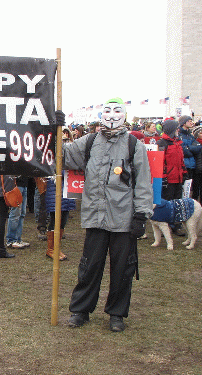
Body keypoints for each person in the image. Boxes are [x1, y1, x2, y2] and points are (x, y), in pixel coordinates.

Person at [62, 98, 153, 332]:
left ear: (125, 114)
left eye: (117, 111)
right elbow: (63, 156)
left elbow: (143, 182)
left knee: (123, 269)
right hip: (95, 216)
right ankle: (80, 310)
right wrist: (55, 130)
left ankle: (116, 313)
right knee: (89, 266)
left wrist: (141, 215)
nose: (112, 115)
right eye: (107, 110)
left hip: (123, 218)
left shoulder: (134, 145)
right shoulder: (90, 141)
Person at [157, 119, 188, 236]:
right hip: (169, 179)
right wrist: (163, 177)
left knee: (178, 202)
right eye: (176, 128)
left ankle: (176, 225)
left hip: (178, 178)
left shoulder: (177, 142)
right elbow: (160, 162)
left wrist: (184, 172)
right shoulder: (162, 143)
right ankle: (166, 227)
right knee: (167, 203)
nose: (178, 130)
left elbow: (181, 160)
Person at [45, 175, 75, 261]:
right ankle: (51, 249)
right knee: (55, 220)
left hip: (66, 189)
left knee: (63, 221)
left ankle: (56, 248)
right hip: (55, 191)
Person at [5, 176, 30, 249]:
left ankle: (17, 239)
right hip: (17, 184)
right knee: (16, 213)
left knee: (21, 213)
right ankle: (11, 240)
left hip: (23, 184)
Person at [178, 115, 201, 181]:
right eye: (190, 121)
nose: (192, 123)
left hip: (192, 165)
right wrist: (191, 151)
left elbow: (198, 147)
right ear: (184, 123)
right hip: (183, 166)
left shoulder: (190, 135)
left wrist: (188, 148)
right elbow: (182, 150)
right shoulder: (179, 135)